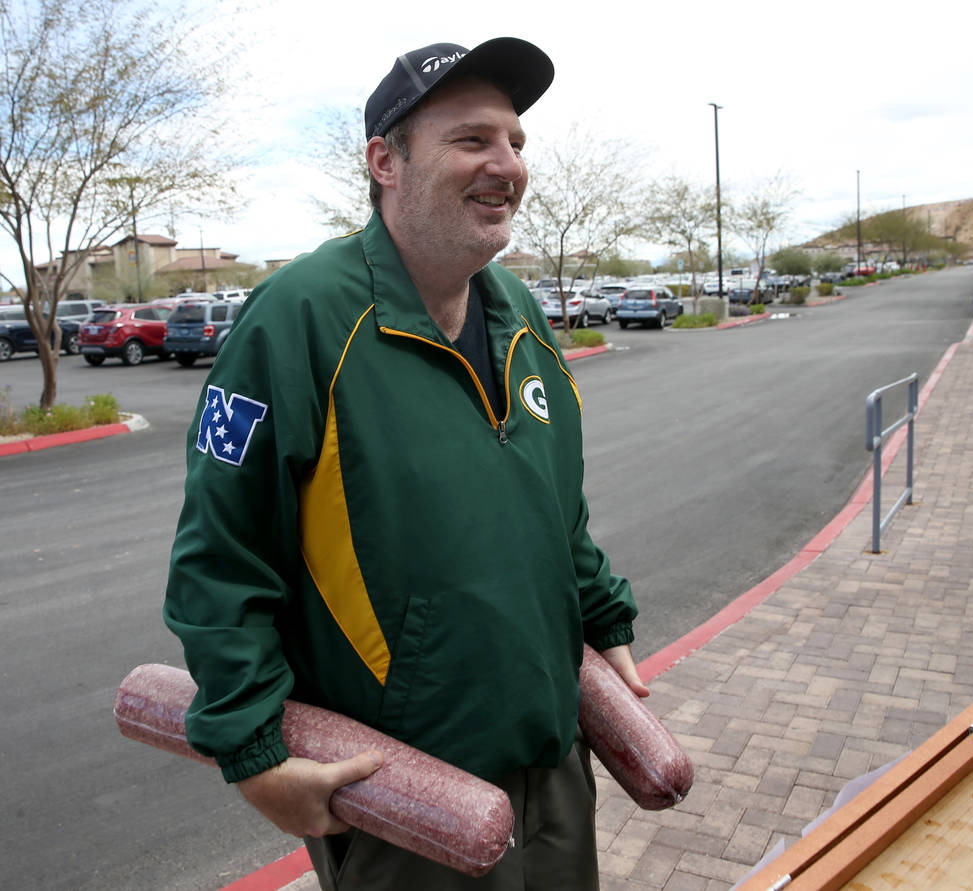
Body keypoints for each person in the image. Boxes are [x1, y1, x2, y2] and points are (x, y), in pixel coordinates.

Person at [163, 37, 645, 891]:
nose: (508, 165)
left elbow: (556, 511)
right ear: (386, 160)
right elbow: (219, 558)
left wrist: (604, 621)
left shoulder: (524, 314)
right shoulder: (299, 318)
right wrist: (251, 753)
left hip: (553, 758)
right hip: (405, 793)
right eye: (472, 140)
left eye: (517, 143)